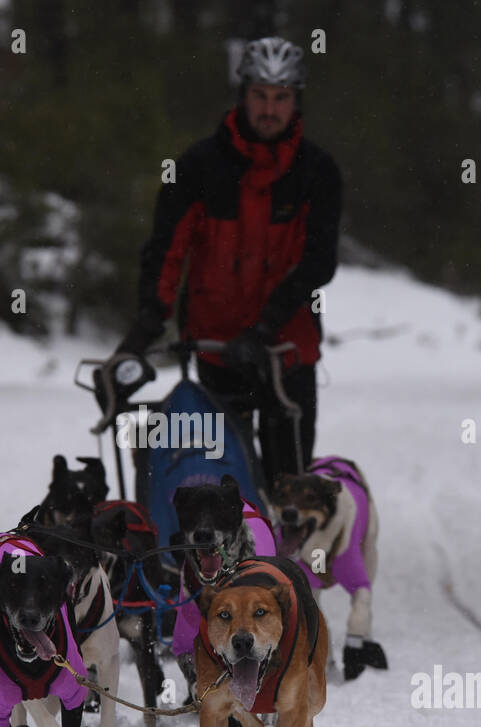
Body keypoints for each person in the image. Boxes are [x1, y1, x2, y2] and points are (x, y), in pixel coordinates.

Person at [102, 36, 342, 479]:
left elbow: (318, 261)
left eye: (281, 98)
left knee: (288, 491)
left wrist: (264, 328)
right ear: (242, 95)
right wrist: (143, 331)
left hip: (285, 354)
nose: (269, 110)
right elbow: (165, 252)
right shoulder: (197, 168)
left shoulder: (318, 172)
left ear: (296, 102)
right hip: (217, 353)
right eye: (259, 96)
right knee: (213, 488)